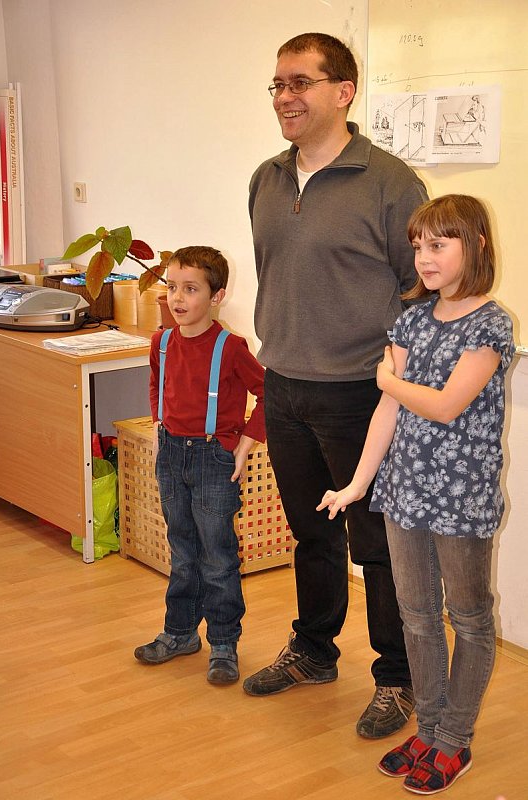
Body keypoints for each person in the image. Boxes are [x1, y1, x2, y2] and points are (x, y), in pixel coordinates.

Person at [242, 31, 429, 740]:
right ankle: (315, 652)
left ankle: (398, 678)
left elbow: (419, 286)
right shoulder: (265, 178)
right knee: (310, 534)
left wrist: (397, 377)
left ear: (343, 91)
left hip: (360, 395)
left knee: (377, 544)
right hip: (284, 384)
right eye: (278, 84)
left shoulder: (390, 183)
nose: (284, 97)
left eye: (300, 82)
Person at [318, 194, 515, 794]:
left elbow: (447, 404)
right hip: (404, 493)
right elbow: (389, 411)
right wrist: (357, 484)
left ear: (475, 245)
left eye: (438, 245)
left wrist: (388, 379)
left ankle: (455, 739)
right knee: (418, 615)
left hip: (461, 497)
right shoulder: (411, 319)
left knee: (470, 619)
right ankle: (428, 730)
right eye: (418, 247)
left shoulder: (491, 324)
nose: (424, 258)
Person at [134, 246, 265, 684]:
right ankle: (180, 633)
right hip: (171, 456)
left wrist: (244, 445)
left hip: (213, 459)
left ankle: (224, 643)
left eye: (190, 289)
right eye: (172, 287)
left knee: (217, 557)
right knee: (182, 551)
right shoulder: (161, 342)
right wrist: (159, 425)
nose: (177, 298)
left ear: (217, 296)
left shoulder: (231, 348)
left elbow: (268, 393)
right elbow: (156, 384)